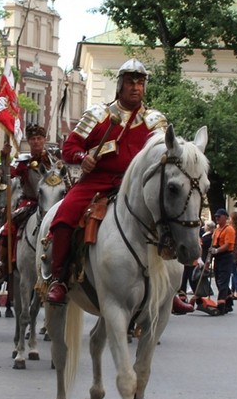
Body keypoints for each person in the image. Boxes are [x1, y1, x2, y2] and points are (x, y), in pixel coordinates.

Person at [45, 58, 167, 305]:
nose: (136, 87)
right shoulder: (99, 115)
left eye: (140, 83)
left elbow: (166, 152)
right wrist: (83, 157)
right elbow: (70, 146)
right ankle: (59, 278)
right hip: (97, 181)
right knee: (64, 217)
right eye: (131, 82)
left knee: (172, 219)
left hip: (137, 184)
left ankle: (169, 285)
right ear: (120, 85)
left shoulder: (155, 120)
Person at [0, 123, 50, 281]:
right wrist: (4, 159)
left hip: (51, 203)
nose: (36, 142)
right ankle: (2, 263)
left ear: (44, 140)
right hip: (29, 203)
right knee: (7, 229)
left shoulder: (54, 160)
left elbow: (64, 182)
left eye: (39, 138)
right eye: (32, 139)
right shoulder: (22, 161)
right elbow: (6, 176)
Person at [208, 209, 235, 315]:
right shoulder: (216, 230)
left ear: (225, 217)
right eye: (216, 217)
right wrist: (209, 257)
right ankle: (229, 302)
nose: (217, 218)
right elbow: (213, 244)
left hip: (226, 256)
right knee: (219, 280)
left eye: (219, 216)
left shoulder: (229, 229)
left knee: (223, 281)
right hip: (218, 257)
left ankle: (221, 306)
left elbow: (228, 244)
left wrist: (217, 250)